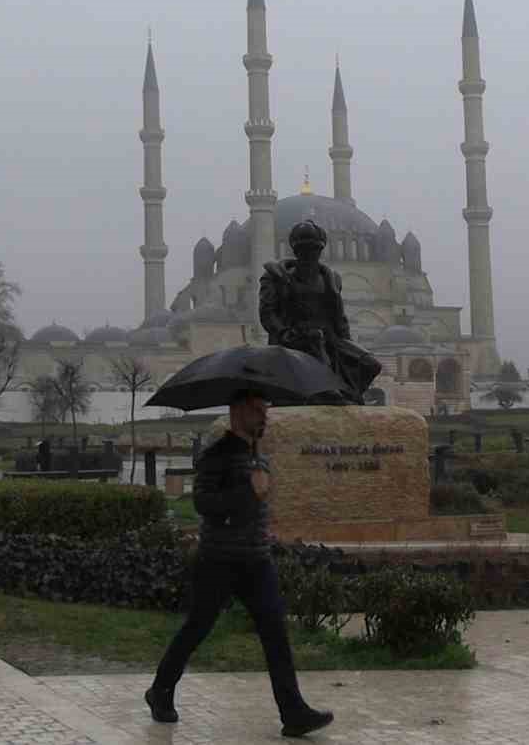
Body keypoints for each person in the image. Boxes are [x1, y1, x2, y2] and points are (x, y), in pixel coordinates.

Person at [146, 391, 333, 738]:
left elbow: (258, 504)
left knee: (275, 631)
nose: (264, 416)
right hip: (218, 560)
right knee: (197, 627)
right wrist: (250, 493)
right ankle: (160, 690)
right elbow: (204, 503)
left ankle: (293, 712)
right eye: (257, 410)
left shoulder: (257, 453)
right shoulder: (215, 455)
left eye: (266, 410)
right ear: (237, 412)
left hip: (256, 560)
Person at [259, 219, 382, 402]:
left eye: (314, 249)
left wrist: (346, 343)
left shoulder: (330, 279)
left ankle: (350, 395)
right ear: (296, 250)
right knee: (316, 343)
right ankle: (329, 393)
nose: (309, 254)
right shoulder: (275, 277)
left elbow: (339, 317)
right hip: (295, 337)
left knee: (370, 364)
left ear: (320, 249)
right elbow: (267, 313)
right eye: (304, 249)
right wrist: (285, 333)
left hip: (329, 337)